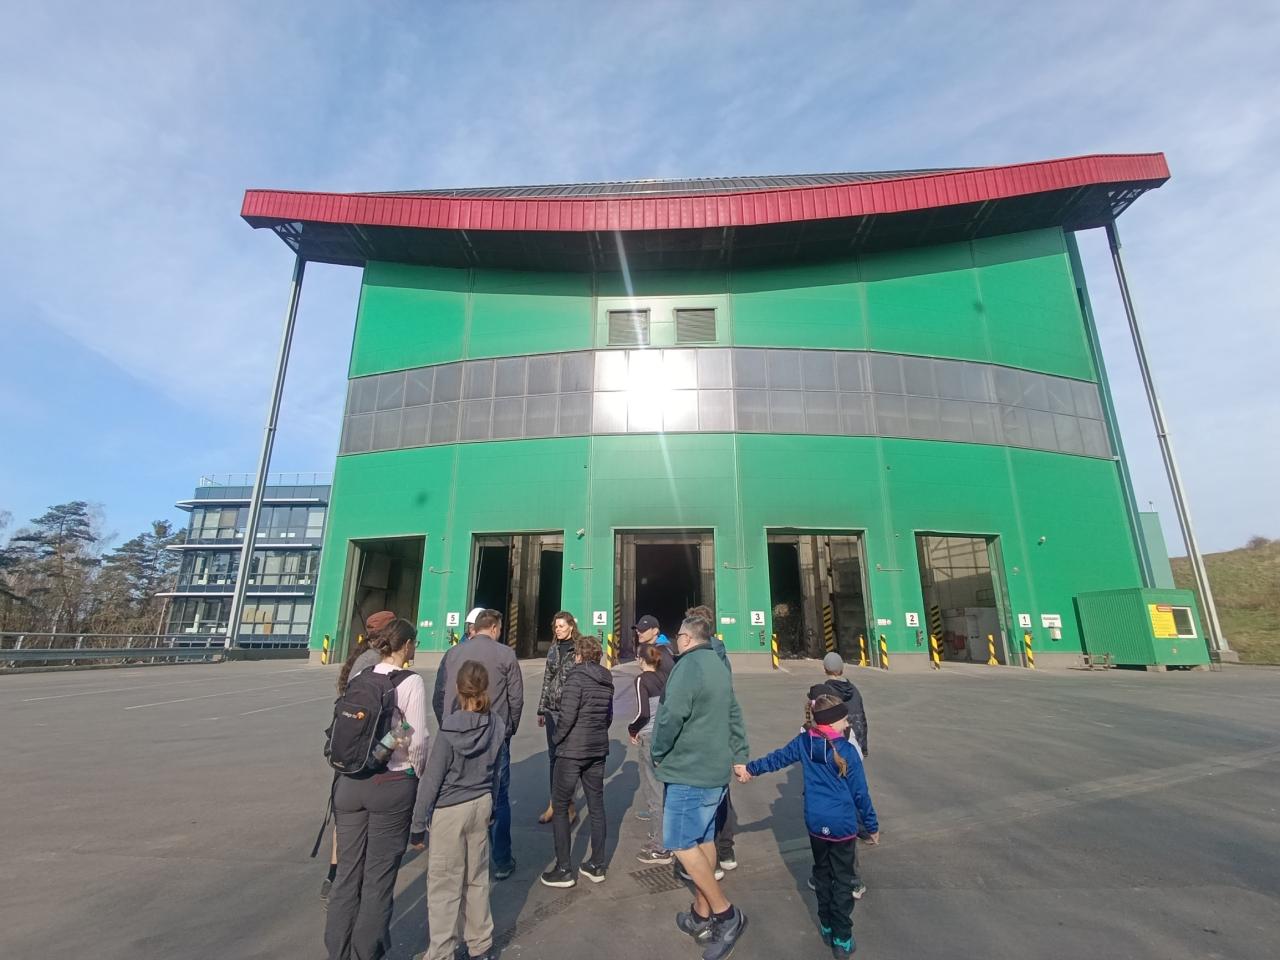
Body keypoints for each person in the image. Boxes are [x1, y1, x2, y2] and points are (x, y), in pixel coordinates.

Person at [735, 693, 879, 959]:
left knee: (822, 874)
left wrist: (750, 769)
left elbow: (776, 759)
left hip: (815, 822)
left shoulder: (804, 742)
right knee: (843, 880)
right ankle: (842, 937)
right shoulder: (847, 751)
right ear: (832, 722)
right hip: (842, 826)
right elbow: (860, 794)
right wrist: (871, 826)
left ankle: (826, 924)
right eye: (844, 720)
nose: (848, 724)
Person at [324, 618, 427, 960]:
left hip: (349, 784)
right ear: (406, 645)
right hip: (390, 784)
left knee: (346, 876)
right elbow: (417, 740)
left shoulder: (361, 676)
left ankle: (337, 952)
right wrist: (415, 773)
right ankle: (366, 953)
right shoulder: (410, 681)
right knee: (378, 879)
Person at [651, 615, 749, 960]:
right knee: (704, 839)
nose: (676, 640)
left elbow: (670, 716)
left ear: (688, 638)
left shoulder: (688, 666)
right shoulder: (719, 665)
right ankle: (700, 913)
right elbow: (734, 713)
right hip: (714, 773)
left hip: (688, 772)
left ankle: (726, 914)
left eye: (678, 635)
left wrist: (657, 751)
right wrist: (740, 755)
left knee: (679, 843)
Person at [411, 660, 505, 960]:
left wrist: (417, 824)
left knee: (444, 884)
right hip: (481, 803)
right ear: (485, 687)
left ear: (457, 688)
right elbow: (497, 771)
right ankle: (480, 945)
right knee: (477, 877)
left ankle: (441, 951)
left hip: (450, 810)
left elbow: (432, 779)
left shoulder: (450, 727)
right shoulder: (496, 724)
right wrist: (492, 804)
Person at [433, 608, 524, 881]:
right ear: (494, 628)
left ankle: (459, 859)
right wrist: (508, 731)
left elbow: (439, 695)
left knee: (455, 792)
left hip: (455, 734)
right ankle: (502, 860)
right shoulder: (506, 654)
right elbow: (516, 699)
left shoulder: (452, 654)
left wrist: (448, 726)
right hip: (494, 736)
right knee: (499, 796)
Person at [322, 611, 397, 902]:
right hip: (364, 749)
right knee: (363, 814)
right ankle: (349, 877)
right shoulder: (375, 663)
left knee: (345, 815)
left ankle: (334, 873)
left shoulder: (360, 658)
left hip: (347, 744)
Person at [540, 633, 614, 888]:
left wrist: (557, 739)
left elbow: (567, 716)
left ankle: (564, 869)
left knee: (560, 807)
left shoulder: (575, 677)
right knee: (596, 806)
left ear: (579, 655)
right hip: (597, 749)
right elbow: (608, 717)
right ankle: (597, 864)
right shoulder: (607, 679)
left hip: (571, 751)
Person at [686, 603, 737, 873]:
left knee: (699, 796)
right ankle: (726, 851)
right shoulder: (722, 654)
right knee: (721, 792)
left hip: (700, 731)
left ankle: (710, 860)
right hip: (721, 729)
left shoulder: (696, 657)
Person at [536, 611, 581, 825]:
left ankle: (569, 805)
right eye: (556, 626)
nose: (558, 629)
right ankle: (554, 804)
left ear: (571, 626)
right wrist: (541, 709)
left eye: (562, 626)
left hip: (571, 710)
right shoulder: (553, 649)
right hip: (552, 709)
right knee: (553, 757)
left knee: (568, 759)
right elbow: (547, 678)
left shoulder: (579, 649)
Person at [629, 643, 671, 863]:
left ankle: (660, 846)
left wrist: (632, 729)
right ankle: (665, 835)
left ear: (640, 659)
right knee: (664, 788)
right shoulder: (665, 678)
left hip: (648, 737)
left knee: (653, 791)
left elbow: (642, 713)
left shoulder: (641, 680)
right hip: (664, 736)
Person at [815, 652, 869, 758]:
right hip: (855, 743)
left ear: (825, 669)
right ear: (842, 669)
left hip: (836, 747)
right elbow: (862, 719)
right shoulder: (854, 689)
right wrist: (863, 747)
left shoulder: (825, 693)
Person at [635, 613, 675, 678]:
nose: (639, 633)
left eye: (643, 630)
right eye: (638, 630)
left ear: (655, 631)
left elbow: (667, 676)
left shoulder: (662, 651)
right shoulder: (651, 649)